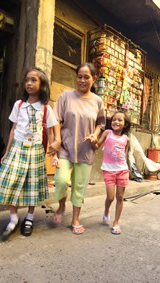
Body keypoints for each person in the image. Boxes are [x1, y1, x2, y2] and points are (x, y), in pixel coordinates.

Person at [0, 67, 60, 240]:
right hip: (17, 149)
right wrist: (6, 152)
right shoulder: (18, 105)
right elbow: (13, 129)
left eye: (34, 80)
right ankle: (13, 218)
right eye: (27, 79)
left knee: (31, 186)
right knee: (12, 182)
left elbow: (50, 134)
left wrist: (54, 153)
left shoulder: (46, 109)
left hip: (35, 150)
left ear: (42, 85)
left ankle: (29, 218)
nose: (29, 83)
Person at [51, 62, 106, 235]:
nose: (82, 80)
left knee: (79, 187)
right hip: (65, 148)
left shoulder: (97, 101)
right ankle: (61, 208)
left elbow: (101, 123)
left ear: (94, 78)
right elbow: (56, 120)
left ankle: (75, 219)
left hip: (85, 150)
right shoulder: (65, 96)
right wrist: (57, 140)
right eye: (79, 77)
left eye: (86, 77)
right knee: (61, 181)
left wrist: (95, 135)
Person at [93, 110, 131, 235]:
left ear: (125, 124)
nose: (116, 122)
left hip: (122, 170)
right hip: (108, 170)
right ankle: (106, 211)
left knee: (120, 197)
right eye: (114, 119)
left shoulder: (126, 139)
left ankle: (116, 222)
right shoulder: (107, 133)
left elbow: (124, 155)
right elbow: (97, 146)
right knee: (110, 197)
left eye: (120, 120)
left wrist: (126, 169)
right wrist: (92, 140)